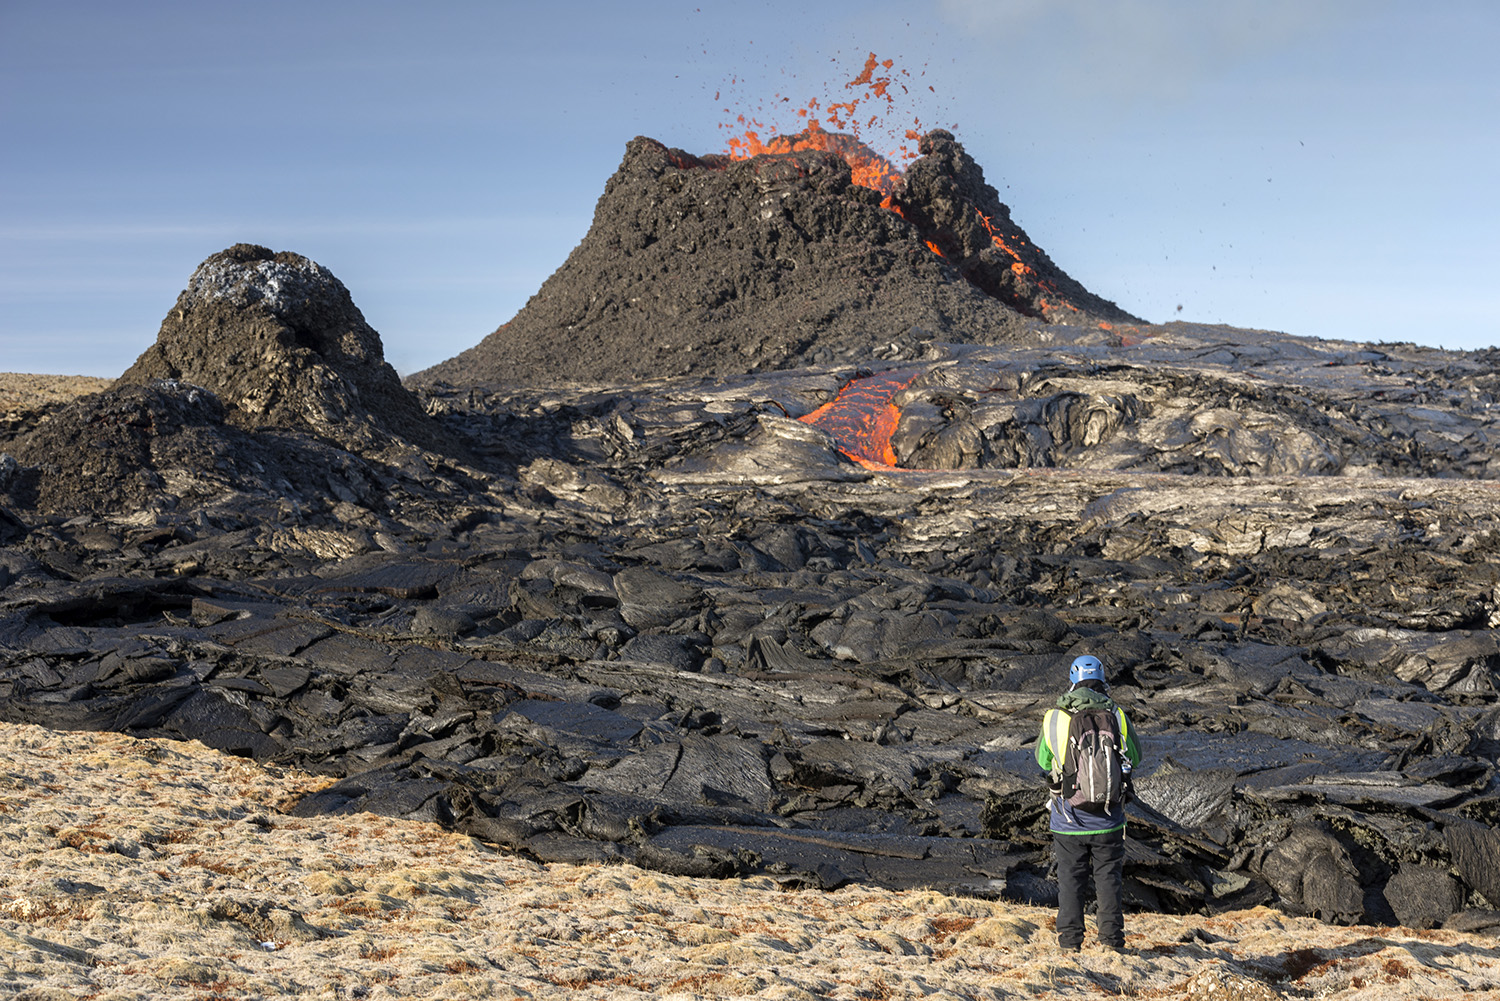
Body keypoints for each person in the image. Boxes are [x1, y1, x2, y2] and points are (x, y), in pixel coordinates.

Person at [1035, 654, 1142, 953]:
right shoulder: (1117, 714)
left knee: (1070, 881)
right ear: (1102, 680)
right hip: (1109, 817)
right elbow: (1136, 756)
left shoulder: (1054, 717)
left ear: (1073, 680)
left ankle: (1070, 944)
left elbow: (1042, 760)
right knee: (1109, 880)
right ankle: (1112, 943)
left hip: (1068, 819)